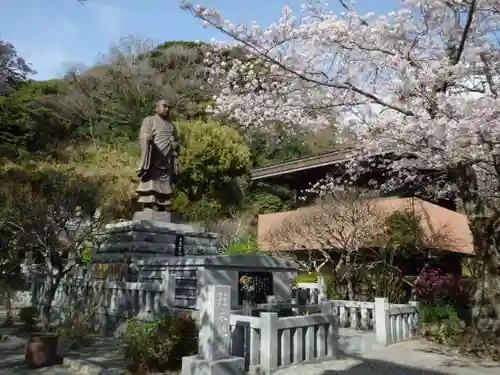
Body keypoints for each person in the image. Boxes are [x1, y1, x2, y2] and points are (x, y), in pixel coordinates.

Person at [136, 99, 180, 211]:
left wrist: (175, 145)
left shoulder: (172, 126)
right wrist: (146, 138)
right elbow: (143, 135)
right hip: (153, 159)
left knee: (166, 186)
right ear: (157, 108)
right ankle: (150, 205)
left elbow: (177, 141)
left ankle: (164, 205)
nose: (167, 109)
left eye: (168, 107)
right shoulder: (149, 120)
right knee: (151, 185)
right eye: (164, 106)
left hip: (166, 162)